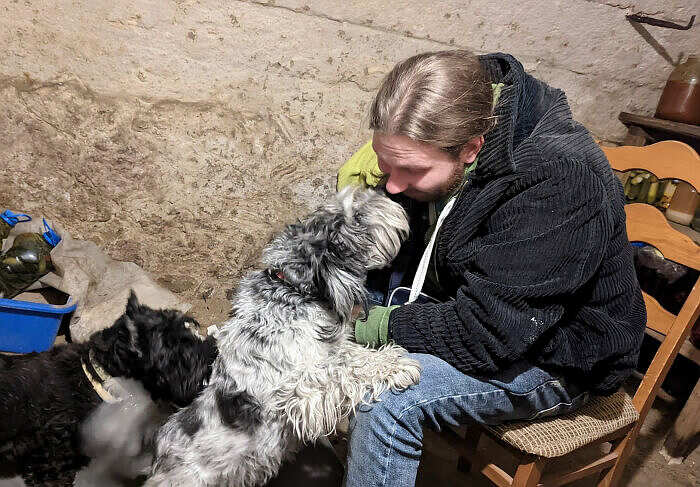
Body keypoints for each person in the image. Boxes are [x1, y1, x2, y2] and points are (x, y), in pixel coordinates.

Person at [336, 50, 646, 487]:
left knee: (385, 399)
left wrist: (367, 325)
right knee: (313, 303)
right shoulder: (465, 103)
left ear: (471, 148)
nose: (393, 184)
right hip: (477, 302)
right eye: (386, 163)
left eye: (411, 170)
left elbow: (488, 333)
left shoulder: (559, 180)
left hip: (556, 354)